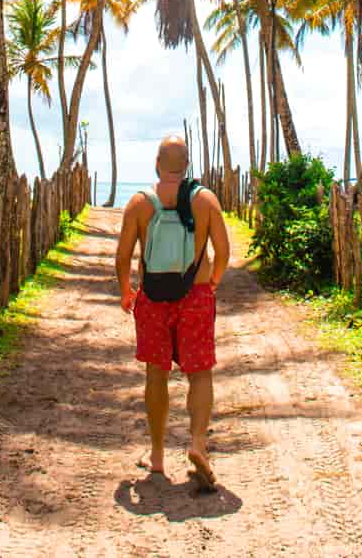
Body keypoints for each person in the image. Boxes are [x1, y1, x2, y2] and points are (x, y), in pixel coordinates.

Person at [115, 135, 230, 487]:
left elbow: (122, 258)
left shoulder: (139, 204)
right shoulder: (205, 200)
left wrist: (126, 292)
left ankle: (157, 455)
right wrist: (212, 283)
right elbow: (223, 253)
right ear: (188, 165)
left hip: (153, 298)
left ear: (156, 164)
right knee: (200, 372)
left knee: (156, 374)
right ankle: (197, 443)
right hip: (195, 295)